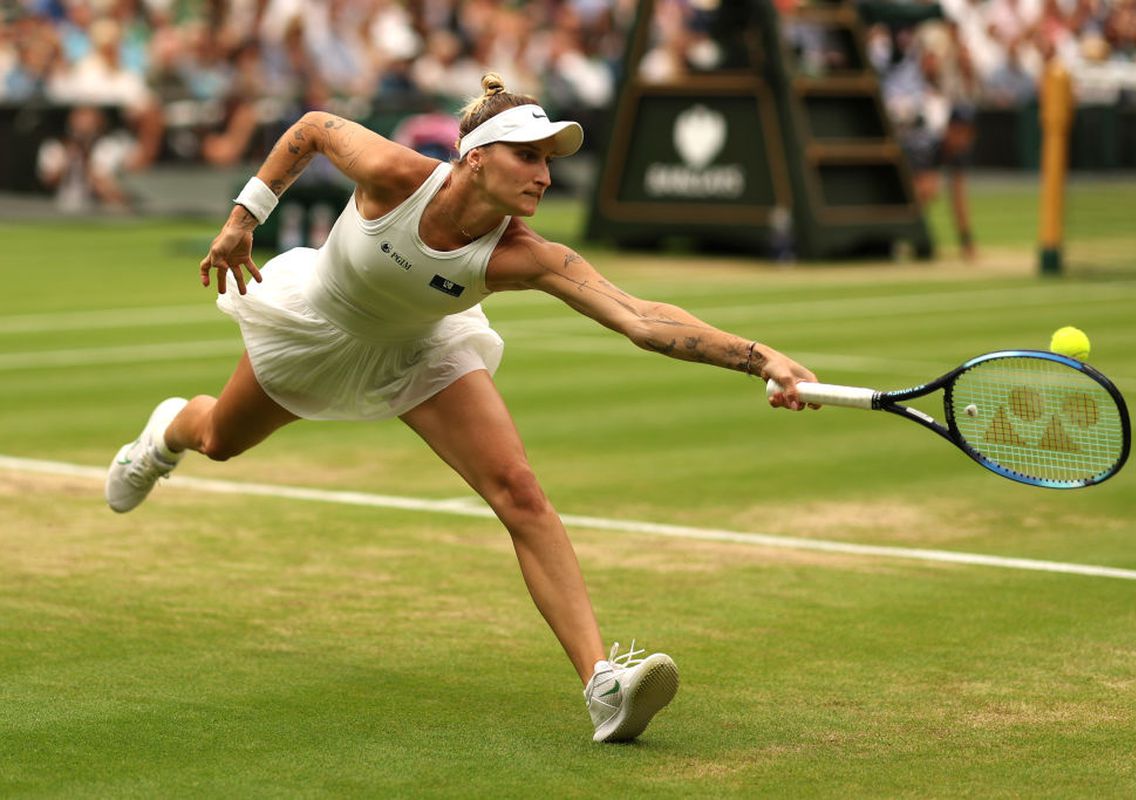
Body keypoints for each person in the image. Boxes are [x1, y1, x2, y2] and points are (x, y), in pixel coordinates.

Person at [104, 72, 821, 743]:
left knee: (521, 493)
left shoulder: (524, 255)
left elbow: (640, 318)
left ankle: (603, 684)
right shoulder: (395, 176)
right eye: (527, 156)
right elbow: (315, 126)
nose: (544, 174)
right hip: (318, 328)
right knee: (218, 439)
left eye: (549, 160)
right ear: (476, 159)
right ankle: (163, 436)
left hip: (421, 348)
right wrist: (243, 217)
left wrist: (760, 357)